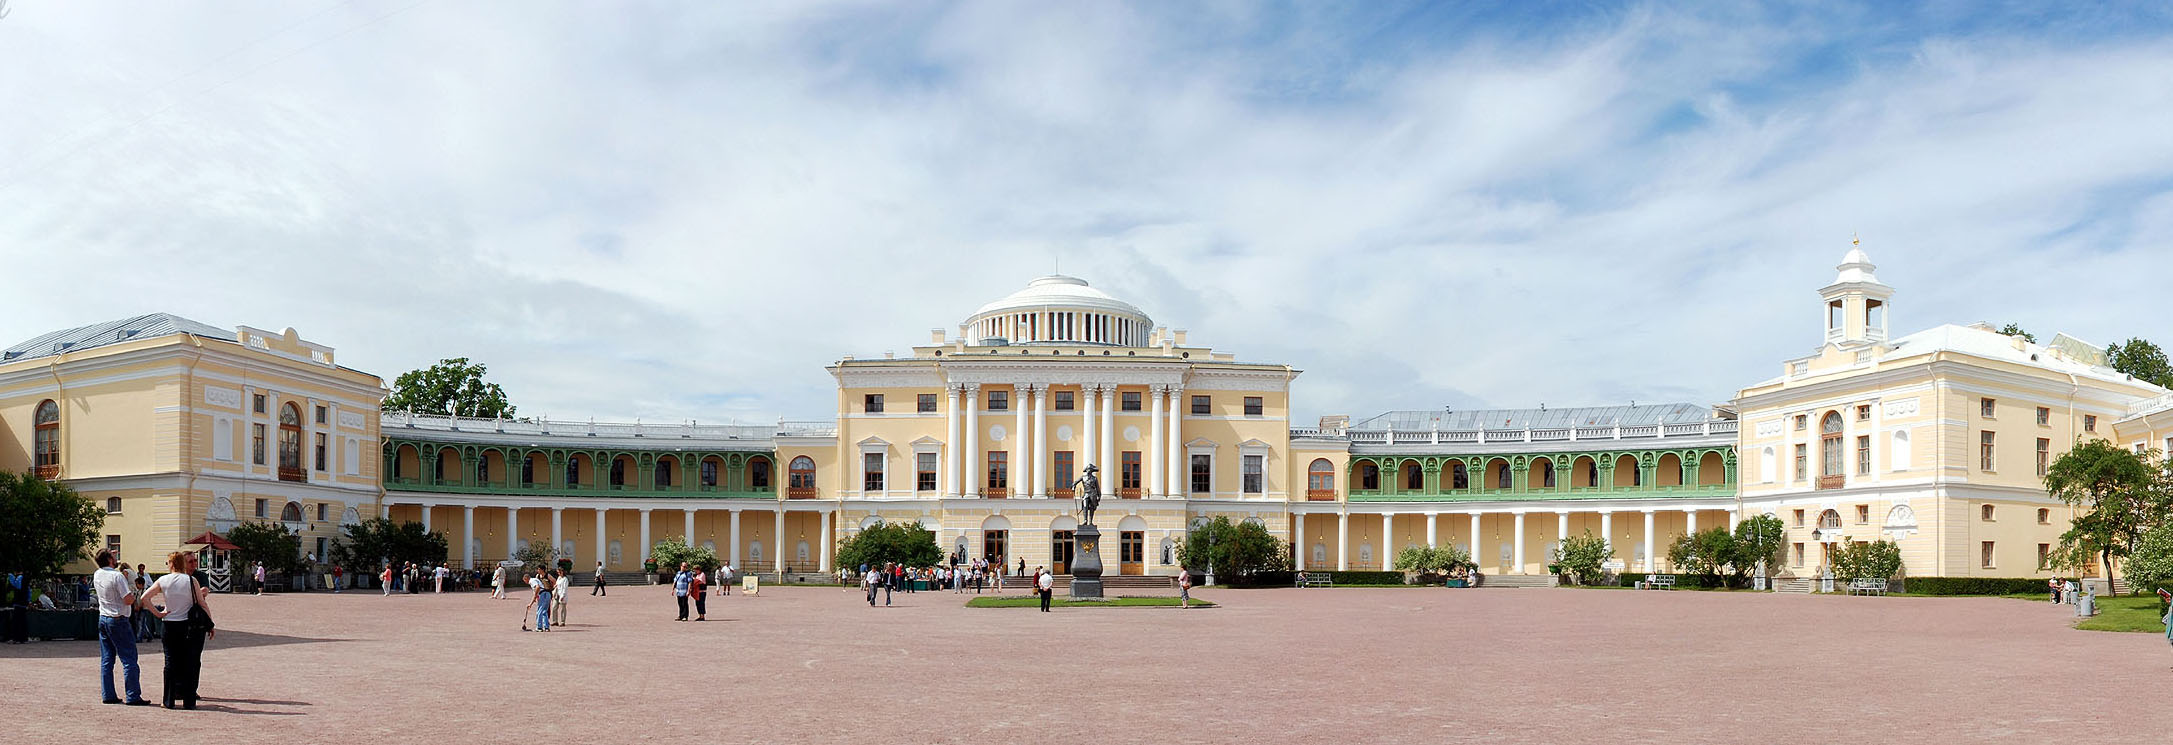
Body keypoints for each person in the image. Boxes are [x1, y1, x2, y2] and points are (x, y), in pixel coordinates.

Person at [141, 551, 211, 709]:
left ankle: (168, 700)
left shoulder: (163, 580)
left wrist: (158, 614)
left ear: (170, 564)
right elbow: (202, 603)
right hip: (187, 625)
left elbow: (144, 597)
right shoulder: (191, 580)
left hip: (169, 623)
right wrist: (210, 623)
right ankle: (189, 701)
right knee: (189, 662)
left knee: (170, 662)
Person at [92, 550, 150, 705]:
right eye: (113, 555)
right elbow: (128, 600)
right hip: (118, 619)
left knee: (107, 659)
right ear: (110, 559)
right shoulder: (117, 576)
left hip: (104, 617)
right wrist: (133, 591)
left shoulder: (97, 574)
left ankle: (108, 694)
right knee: (129, 659)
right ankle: (132, 695)